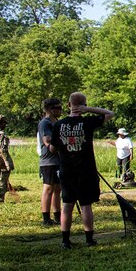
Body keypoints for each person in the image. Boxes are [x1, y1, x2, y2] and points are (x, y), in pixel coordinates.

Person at [50, 92, 114, 248]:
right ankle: (89, 239)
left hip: (66, 171)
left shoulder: (59, 124)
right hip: (86, 170)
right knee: (86, 205)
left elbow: (52, 148)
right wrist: (88, 109)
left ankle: (65, 240)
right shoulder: (88, 122)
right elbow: (110, 113)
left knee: (67, 204)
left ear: (68, 105)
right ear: (84, 105)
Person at [37, 98, 63, 225]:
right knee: (48, 188)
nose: (60, 110)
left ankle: (58, 215)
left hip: (58, 160)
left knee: (58, 189)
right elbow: (47, 140)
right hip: (49, 161)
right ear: (50, 109)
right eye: (58, 108)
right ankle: (46, 218)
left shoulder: (56, 122)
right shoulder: (45, 123)